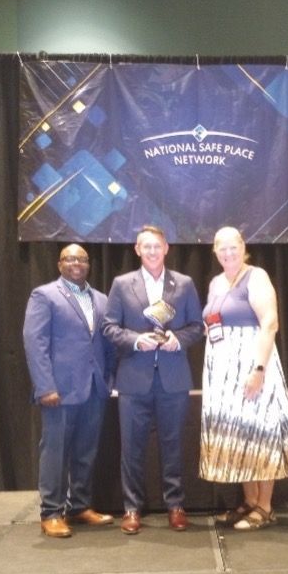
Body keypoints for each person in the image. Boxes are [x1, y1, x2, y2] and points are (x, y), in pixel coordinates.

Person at [102, 225, 205, 534]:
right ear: (137, 249)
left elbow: (197, 326)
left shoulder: (184, 284)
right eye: (146, 247)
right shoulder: (122, 284)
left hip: (173, 379)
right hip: (134, 379)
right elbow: (109, 328)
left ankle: (175, 505)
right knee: (131, 448)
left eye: (156, 247)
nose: (151, 252)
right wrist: (136, 340)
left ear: (166, 248)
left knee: (173, 445)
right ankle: (132, 508)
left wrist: (178, 338)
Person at [199, 226, 288, 530]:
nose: (228, 252)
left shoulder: (256, 276)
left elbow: (270, 324)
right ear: (215, 251)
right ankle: (249, 501)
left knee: (260, 432)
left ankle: (265, 507)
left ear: (244, 247)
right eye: (222, 247)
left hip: (252, 365)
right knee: (238, 433)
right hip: (222, 371)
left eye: (234, 246)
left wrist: (259, 370)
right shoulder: (217, 282)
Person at [23, 244, 117, 538]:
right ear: (59, 263)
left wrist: (108, 380)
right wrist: (45, 386)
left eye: (82, 259)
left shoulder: (101, 299)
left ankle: (78, 506)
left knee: (85, 452)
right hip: (58, 392)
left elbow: (108, 345)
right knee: (55, 451)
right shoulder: (45, 295)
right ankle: (50, 512)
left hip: (93, 389)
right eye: (70, 258)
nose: (76, 263)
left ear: (89, 265)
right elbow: (34, 342)